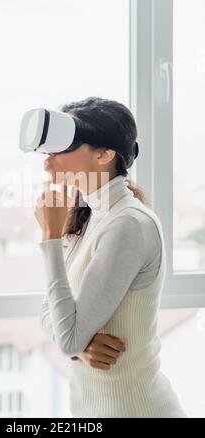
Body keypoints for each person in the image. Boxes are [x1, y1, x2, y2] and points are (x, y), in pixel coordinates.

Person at [35, 97, 187, 418]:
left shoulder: (128, 224)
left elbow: (68, 337)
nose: (47, 163)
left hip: (135, 409)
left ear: (104, 155)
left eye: (62, 149)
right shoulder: (88, 215)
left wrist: (50, 237)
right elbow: (50, 310)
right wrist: (81, 349)